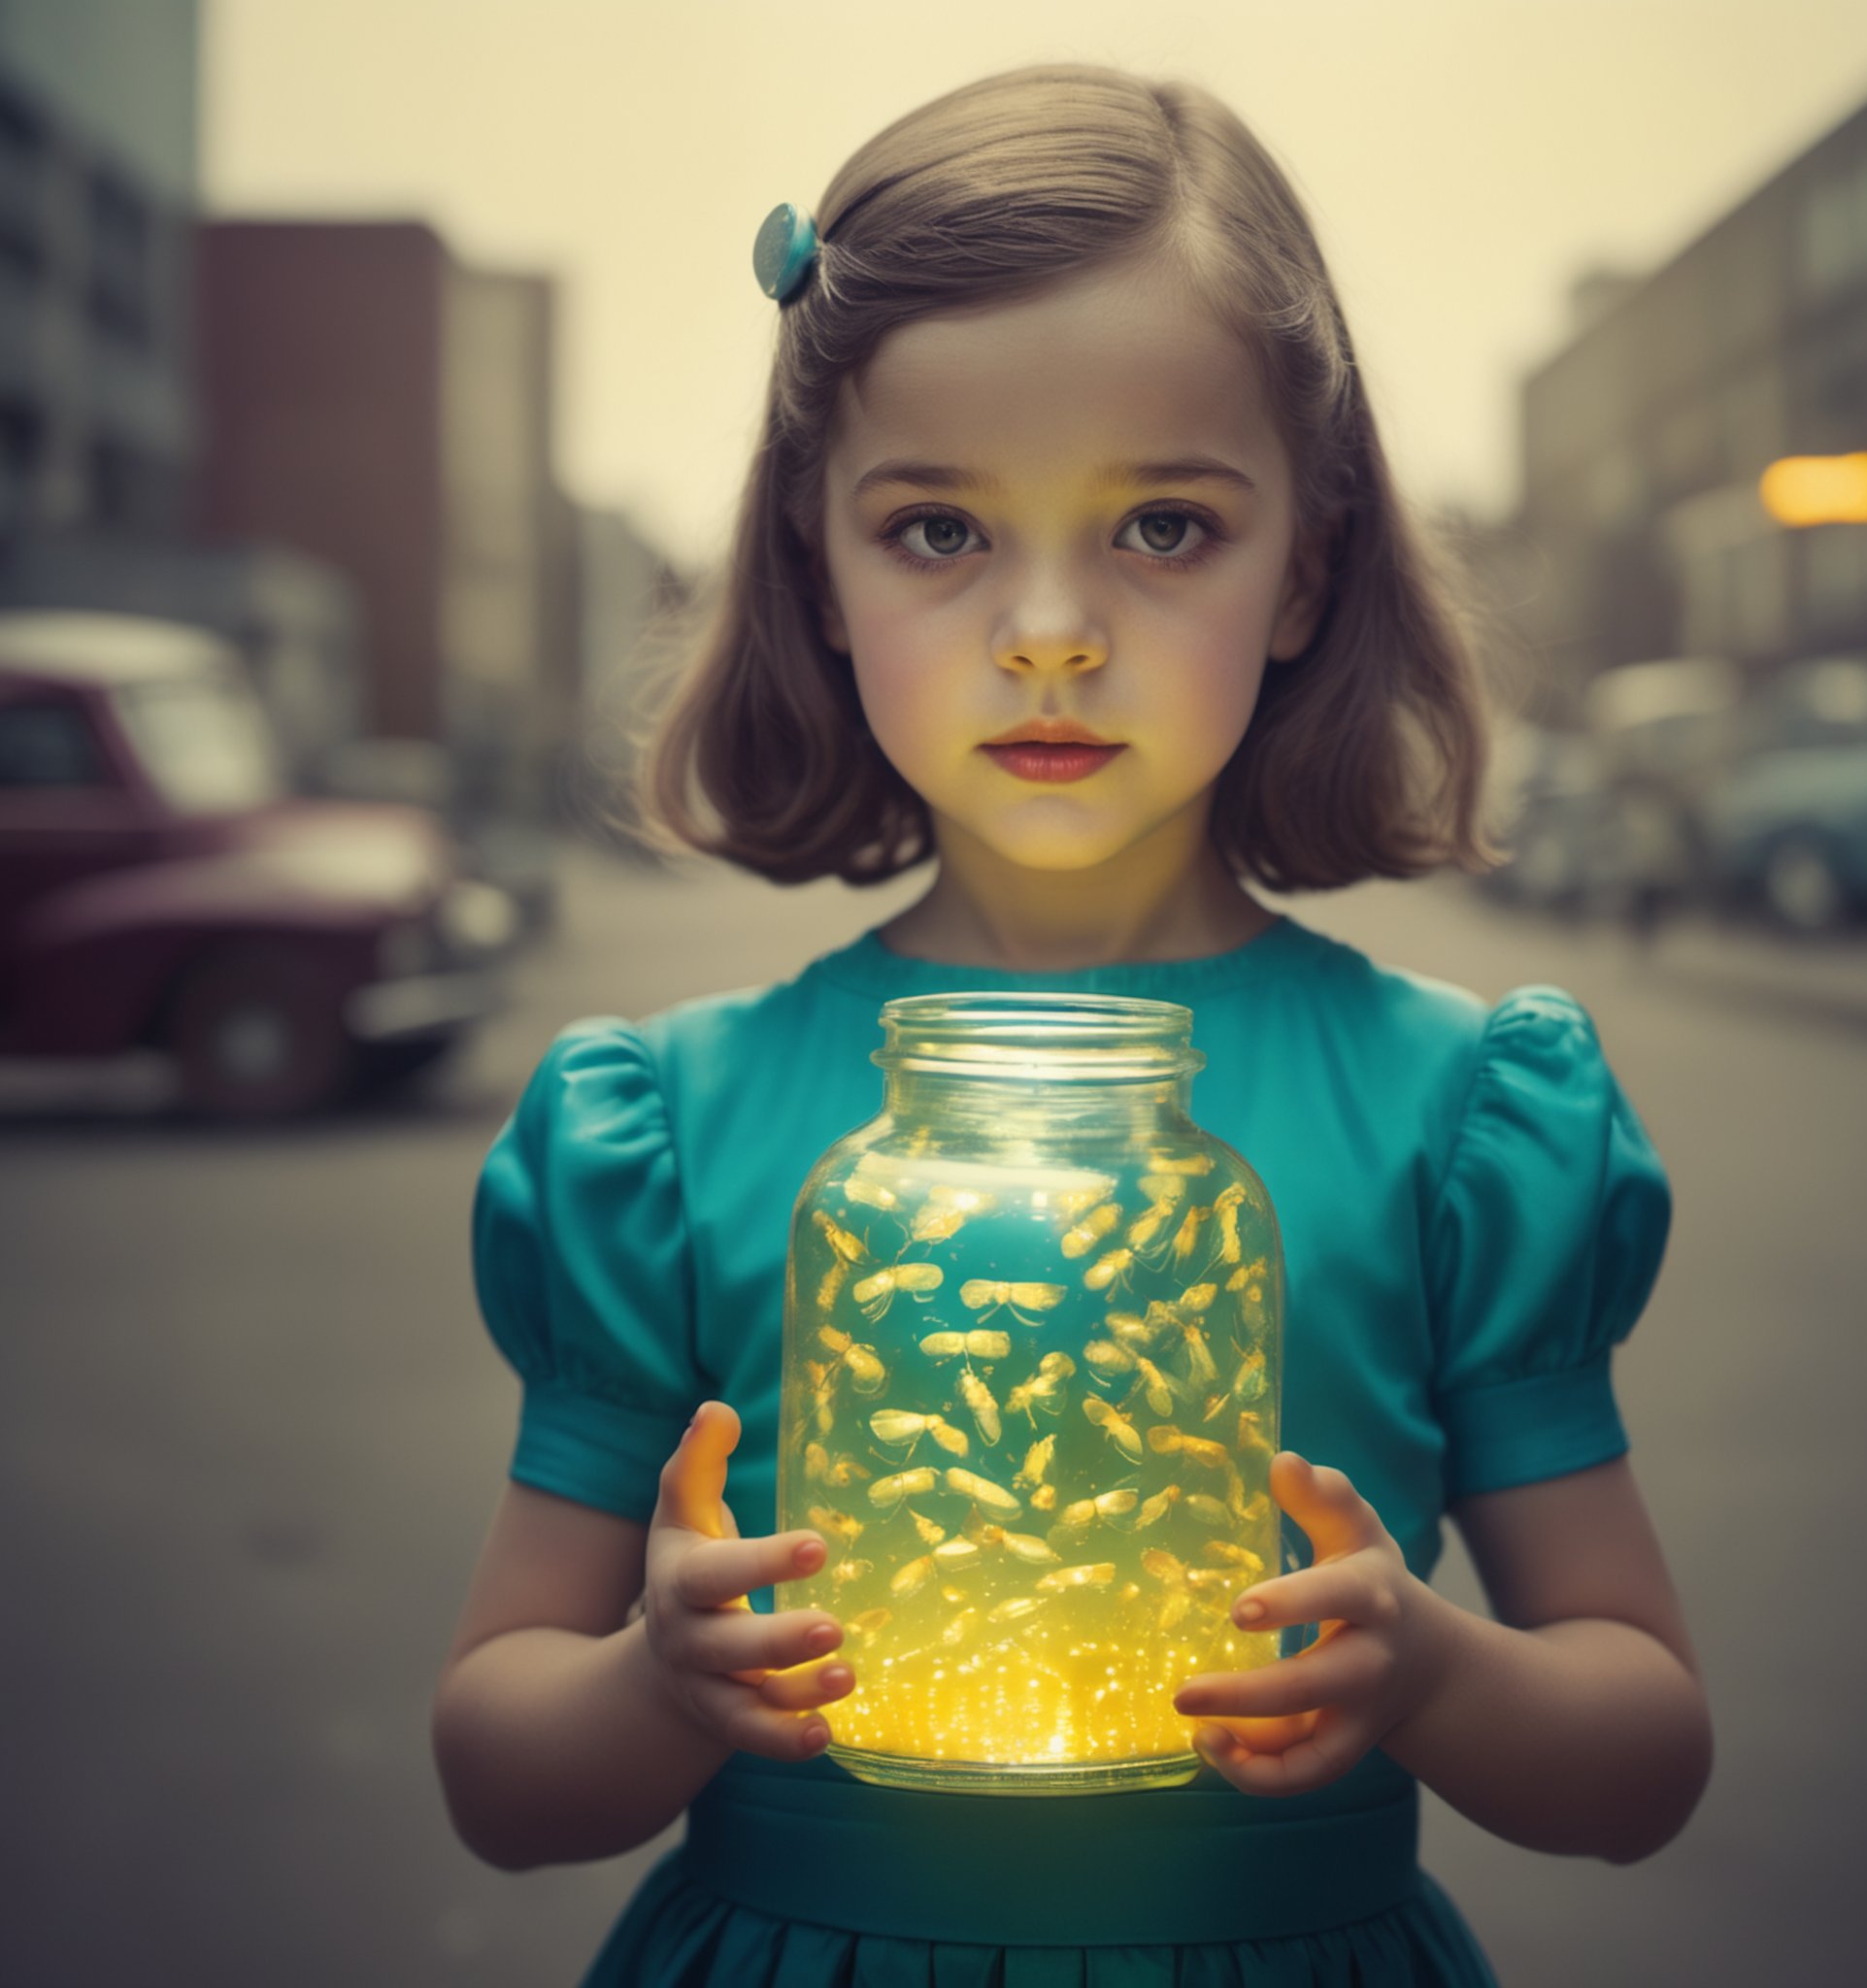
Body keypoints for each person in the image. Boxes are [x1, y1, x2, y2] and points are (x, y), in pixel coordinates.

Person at [432, 61, 1713, 1985]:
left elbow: (1640, 1751)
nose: (1049, 631)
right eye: (939, 530)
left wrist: (1429, 1666)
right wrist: (660, 1678)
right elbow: (499, 1768)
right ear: (815, 556)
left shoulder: (1458, 1108)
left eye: (1164, 529)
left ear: (1307, 559)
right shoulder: (669, 1120)